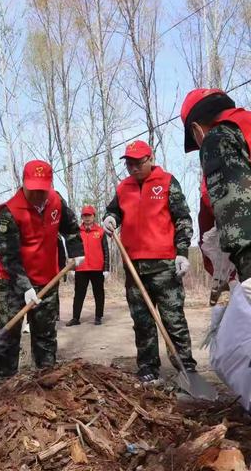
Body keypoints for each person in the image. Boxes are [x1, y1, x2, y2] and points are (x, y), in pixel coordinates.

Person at [103, 140, 197, 384]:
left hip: (165, 266)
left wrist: (182, 252)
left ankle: (185, 367)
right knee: (142, 322)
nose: (133, 168)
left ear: (150, 159)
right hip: (134, 267)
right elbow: (113, 211)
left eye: (137, 162)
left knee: (173, 320)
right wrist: (110, 219)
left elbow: (183, 219)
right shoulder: (124, 188)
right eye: (129, 164)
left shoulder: (167, 182)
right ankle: (147, 367)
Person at [0, 159, 84, 379]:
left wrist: (76, 251)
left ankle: (46, 380)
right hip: (13, 284)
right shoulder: (10, 212)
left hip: (47, 280)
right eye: (33, 190)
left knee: (45, 335)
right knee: (9, 335)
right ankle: (3, 383)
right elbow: (10, 258)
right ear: (23, 183)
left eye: (42, 190)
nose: (38, 196)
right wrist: (25, 287)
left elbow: (71, 228)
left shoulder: (56, 201)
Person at [180, 88, 251, 299]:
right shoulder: (245, 126)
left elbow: (237, 212)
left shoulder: (217, 138)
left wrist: (247, 271)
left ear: (196, 129)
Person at [67, 205, 109, 326]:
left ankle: (98, 316)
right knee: (79, 294)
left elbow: (106, 250)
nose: (87, 218)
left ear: (94, 216)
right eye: (85, 215)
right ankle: (75, 318)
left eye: (89, 215)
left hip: (97, 268)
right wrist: (72, 268)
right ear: (82, 217)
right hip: (81, 268)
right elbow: (73, 250)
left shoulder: (101, 231)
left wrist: (106, 269)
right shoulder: (76, 232)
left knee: (99, 293)